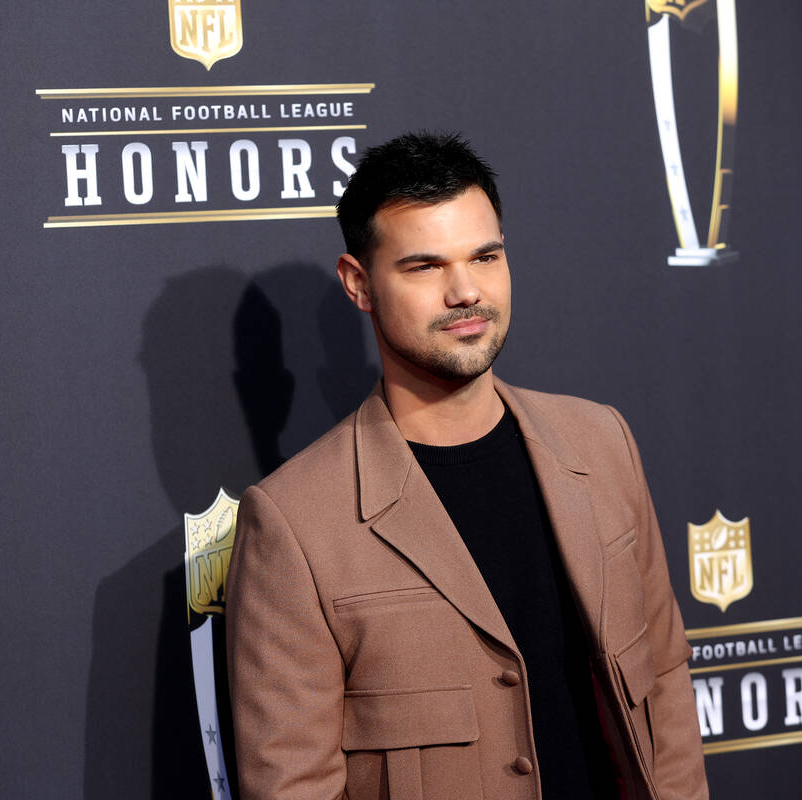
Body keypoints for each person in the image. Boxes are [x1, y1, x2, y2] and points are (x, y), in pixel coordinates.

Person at [225, 132, 707, 800]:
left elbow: (667, 683)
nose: (466, 292)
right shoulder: (294, 524)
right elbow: (292, 786)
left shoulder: (601, 443)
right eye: (424, 267)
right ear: (359, 284)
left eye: (485, 256)